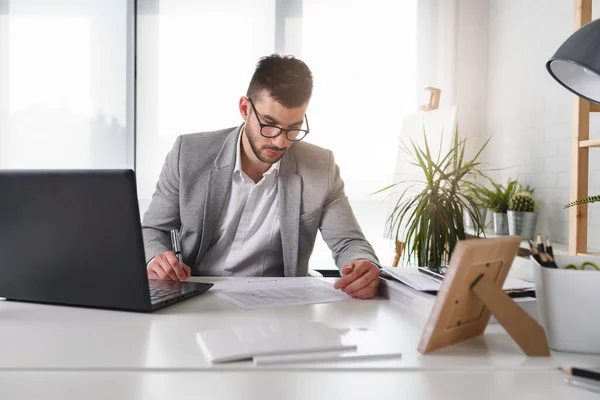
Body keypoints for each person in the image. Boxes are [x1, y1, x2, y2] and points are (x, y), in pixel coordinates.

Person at [142, 54, 380, 299]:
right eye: (269, 124)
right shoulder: (189, 154)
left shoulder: (321, 167)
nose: (280, 141)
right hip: (197, 294)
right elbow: (153, 229)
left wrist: (362, 264)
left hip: (276, 302)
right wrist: (155, 258)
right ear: (245, 109)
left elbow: (349, 242)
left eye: (294, 128)